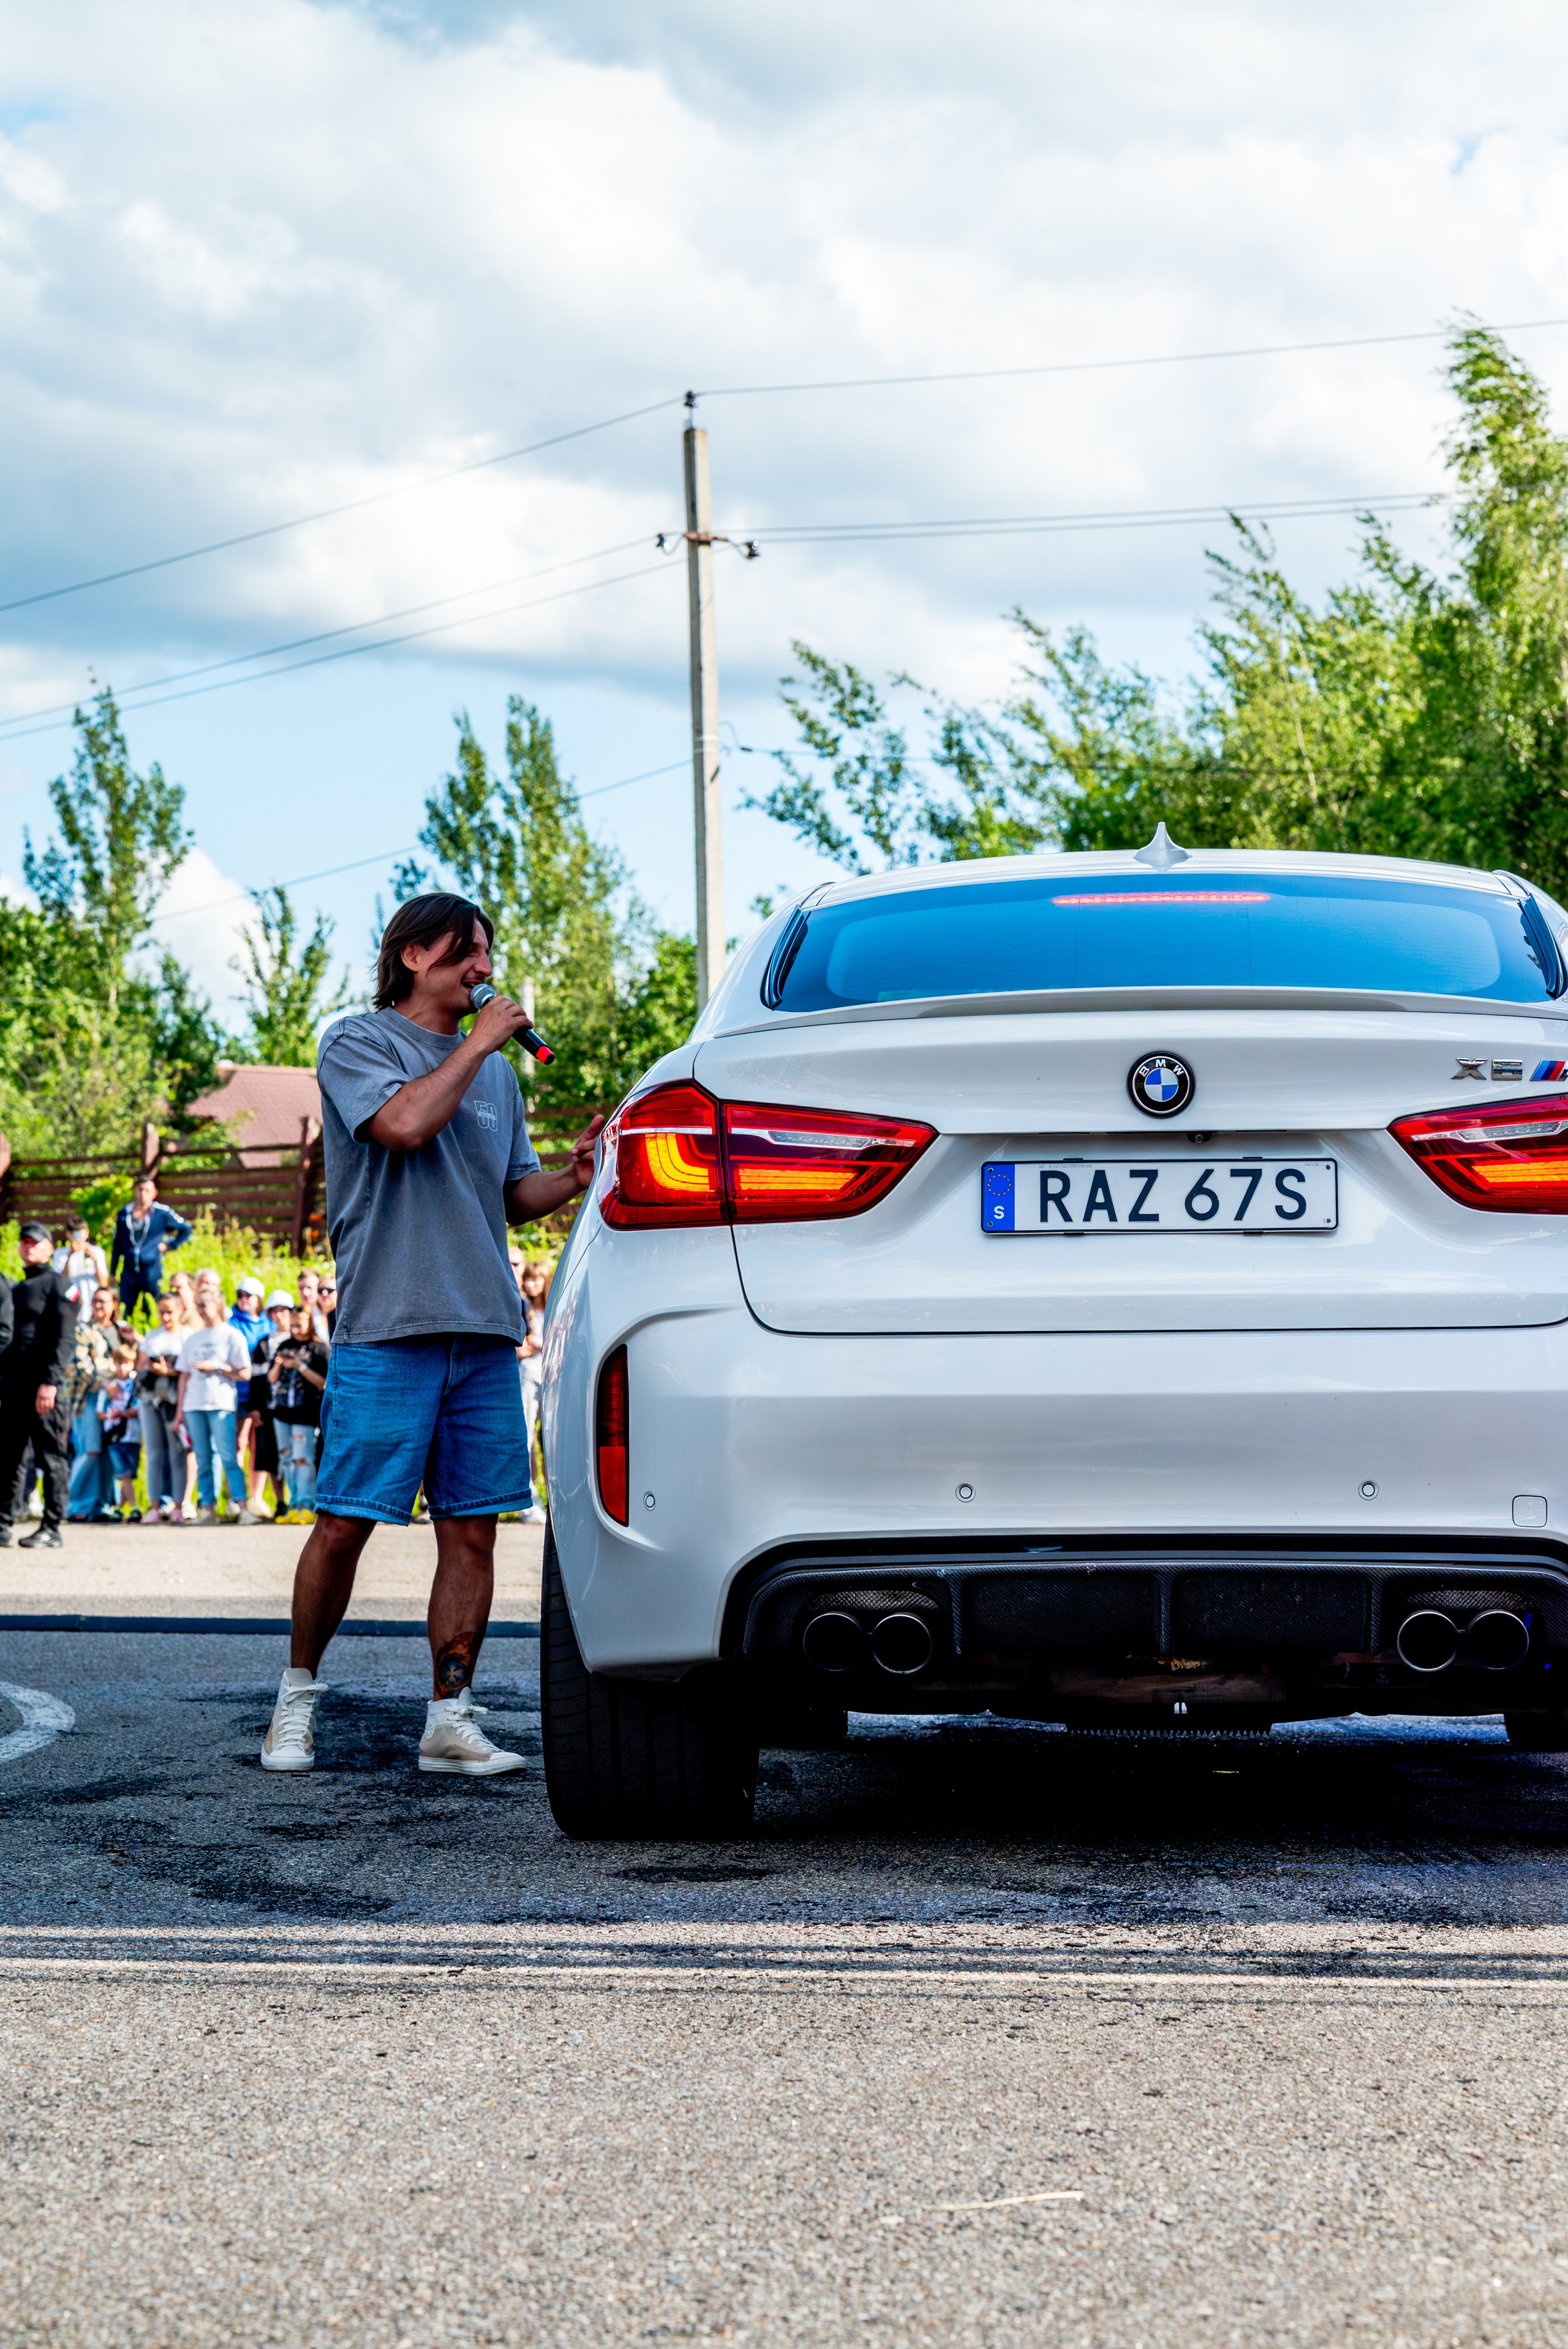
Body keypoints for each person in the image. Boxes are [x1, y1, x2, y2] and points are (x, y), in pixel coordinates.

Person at [260, 891, 601, 1775]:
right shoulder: (357, 1042)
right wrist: (479, 1043)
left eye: (486, 952)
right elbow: (404, 1126)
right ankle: (295, 1700)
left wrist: (572, 1176)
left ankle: (450, 1717)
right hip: (390, 1325)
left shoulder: (498, 1076)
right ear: (413, 955)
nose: (483, 967)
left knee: (473, 1532)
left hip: (483, 1330)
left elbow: (513, 1195)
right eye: (465, 951)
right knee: (345, 1524)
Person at [0, 1221, 77, 1550]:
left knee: (51, 1457)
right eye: (25, 1243)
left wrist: (50, 1382)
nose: (29, 1247)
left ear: (49, 1248)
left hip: (44, 1388)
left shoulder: (60, 1285)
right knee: (10, 1457)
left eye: (36, 1242)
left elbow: (65, 1338)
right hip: (15, 1387)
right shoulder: (17, 1289)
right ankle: (3, 1523)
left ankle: (52, 1527)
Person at [175, 1289, 255, 1524]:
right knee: (203, 1459)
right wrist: (180, 1412)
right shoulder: (193, 1338)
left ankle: (242, 1506)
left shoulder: (232, 1335)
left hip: (220, 1404)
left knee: (229, 1457)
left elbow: (245, 1373)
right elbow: (184, 1376)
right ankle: (207, 1508)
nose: (200, 1310)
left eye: (204, 1305)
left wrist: (218, 1367)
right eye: (198, 1305)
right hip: (194, 1404)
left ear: (218, 1306)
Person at [66, 1284, 119, 1522]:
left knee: (108, 1454)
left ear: (114, 1305)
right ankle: (74, 1504)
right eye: (95, 1300)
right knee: (89, 1450)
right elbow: (79, 1366)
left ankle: (101, 1505)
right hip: (88, 1398)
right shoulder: (83, 1330)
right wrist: (104, 1382)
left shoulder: (120, 1331)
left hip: (115, 1400)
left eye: (103, 1301)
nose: (98, 1305)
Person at [268, 1306, 328, 1515]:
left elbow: (323, 1383)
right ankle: (294, 1503)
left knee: (302, 1458)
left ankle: (306, 1503)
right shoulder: (285, 1345)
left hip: (306, 1412)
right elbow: (272, 1379)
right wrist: (280, 1365)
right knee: (287, 1458)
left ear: (310, 1323)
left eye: (299, 1325)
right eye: (292, 1325)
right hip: (282, 1412)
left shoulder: (319, 1349)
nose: (294, 1329)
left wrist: (300, 1366)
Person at [110, 1176, 193, 1321]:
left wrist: (169, 1245)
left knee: (154, 1309)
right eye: (140, 1189)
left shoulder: (161, 1212)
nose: (143, 1194)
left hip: (151, 1269)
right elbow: (118, 1244)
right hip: (129, 1271)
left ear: (154, 1193)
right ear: (135, 1191)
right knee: (126, 1310)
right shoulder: (124, 1214)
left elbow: (185, 1229)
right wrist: (113, 1270)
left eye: (147, 1190)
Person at [135, 1292, 186, 1521]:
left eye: (170, 1312)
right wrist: (148, 1367)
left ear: (180, 1310)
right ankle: (154, 1506)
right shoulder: (152, 1336)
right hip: (150, 1399)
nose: (165, 1317)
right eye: (161, 1312)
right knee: (154, 1453)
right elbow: (140, 1367)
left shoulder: (186, 1336)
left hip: (174, 1401)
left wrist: (168, 1371)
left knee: (177, 1453)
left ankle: (179, 1506)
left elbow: (187, 1372)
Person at [244, 1291, 295, 1519]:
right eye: (274, 1312)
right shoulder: (264, 1344)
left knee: (298, 1454)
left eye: (283, 1311)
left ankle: (301, 1499)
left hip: (298, 1408)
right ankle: (281, 1501)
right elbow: (256, 1379)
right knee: (272, 1456)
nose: (279, 1316)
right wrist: (254, 1408)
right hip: (270, 1408)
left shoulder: (301, 1338)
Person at [517, 1257, 549, 1527]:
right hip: (528, 1373)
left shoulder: (554, 1307)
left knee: (550, 1440)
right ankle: (528, 1503)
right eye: (528, 1279)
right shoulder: (522, 1306)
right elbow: (519, 1348)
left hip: (552, 1374)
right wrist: (537, 1346)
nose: (531, 1284)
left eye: (536, 1279)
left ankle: (552, 1501)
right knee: (526, 1436)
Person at [99, 1346, 143, 1520]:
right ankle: (135, 1507)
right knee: (123, 1473)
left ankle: (119, 1508)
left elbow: (140, 1407)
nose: (123, 1367)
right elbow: (100, 1412)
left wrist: (129, 1413)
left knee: (129, 1474)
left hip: (133, 1435)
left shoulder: (135, 1384)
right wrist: (113, 1414)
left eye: (127, 1363)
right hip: (114, 1436)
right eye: (119, 1363)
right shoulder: (109, 1386)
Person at [54, 1218, 109, 1320]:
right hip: (70, 1304)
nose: (78, 1236)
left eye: (80, 1231)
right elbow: (60, 1282)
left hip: (93, 1304)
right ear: (68, 1234)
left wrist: (94, 1260)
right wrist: (70, 1255)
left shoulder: (98, 1252)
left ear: (87, 1232)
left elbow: (104, 1284)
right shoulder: (60, 1254)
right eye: (74, 1232)